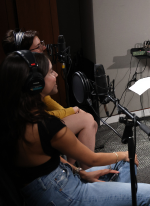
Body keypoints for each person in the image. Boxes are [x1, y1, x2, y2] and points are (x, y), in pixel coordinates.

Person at [0, 51, 150, 206]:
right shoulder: (48, 126)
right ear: (35, 82)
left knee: (125, 164)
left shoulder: (12, 118)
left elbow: (51, 161)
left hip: (50, 184)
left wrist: (81, 172)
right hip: (62, 194)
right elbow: (91, 159)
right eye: (50, 72)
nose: (56, 74)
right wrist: (124, 153)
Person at [3, 29, 98, 168]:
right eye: (38, 46)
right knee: (88, 120)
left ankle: (73, 170)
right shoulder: (25, 80)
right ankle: (83, 170)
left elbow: (48, 104)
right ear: (25, 54)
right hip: (33, 131)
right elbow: (39, 117)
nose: (44, 47)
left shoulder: (31, 76)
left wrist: (73, 111)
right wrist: (73, 110)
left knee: (88, 121)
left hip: (42, 124)